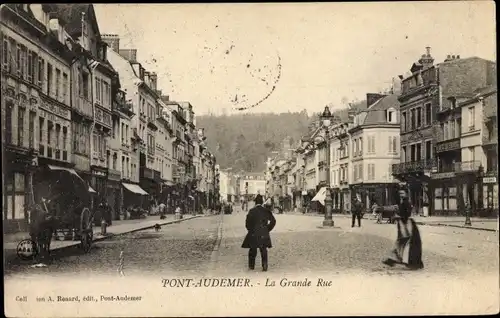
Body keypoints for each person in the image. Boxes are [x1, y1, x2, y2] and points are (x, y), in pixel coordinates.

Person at [382, 191, 424, 270]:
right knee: (403, 242)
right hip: (404, 223)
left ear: (406, 194)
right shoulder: (402, 202)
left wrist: (399, 216)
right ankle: (395, 259)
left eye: (402, 193)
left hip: (407, 224)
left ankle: (398, 260)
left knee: (406, 241)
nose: (401, 195)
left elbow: (406, 214)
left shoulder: (406, 203)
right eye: (400, 193)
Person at [241, 195, 276, 272]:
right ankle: (264, 265)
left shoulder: (251, 211)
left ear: (255, 202)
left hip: (254, 232)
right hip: (263, 232)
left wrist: (250, 230)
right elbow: (273, 221)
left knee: (252, 250)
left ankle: (251, 266)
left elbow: (247, 223)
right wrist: (267, 229)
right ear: (262, 202)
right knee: (263, 249)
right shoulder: (266, 211)